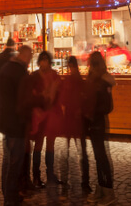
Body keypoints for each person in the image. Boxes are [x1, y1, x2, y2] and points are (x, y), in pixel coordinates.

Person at [0, 44, 34, 206]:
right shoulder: (20, 72)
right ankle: (10, 198)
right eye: (30, 56)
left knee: (8, 160)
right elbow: (24, 99)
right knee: (15, 162)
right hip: (16, 122)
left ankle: (7, 193)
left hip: (5, 120)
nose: (30, 59)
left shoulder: (5, 68)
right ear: (26, 56)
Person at [83, 50, 115, 204]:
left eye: (90, 63)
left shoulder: (102, 82)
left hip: (98, 122)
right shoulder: (93, 79)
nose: (88, 66)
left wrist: (92, 112)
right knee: (98, 156)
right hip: (92, 121)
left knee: (101, 157)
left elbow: (106, 106)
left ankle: (108, 191)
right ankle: (101, 188)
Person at [26, 50, 61, 188]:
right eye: (42, 60)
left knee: (51, 144)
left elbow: (58, 94)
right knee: (39, 145)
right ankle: (36, 176)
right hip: (39, 115)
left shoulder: (54, 75)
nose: (44, 62)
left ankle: (50, 174)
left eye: (46, 60)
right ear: (39, 61)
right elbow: (31, 94)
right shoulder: (35, 76)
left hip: (51, 114)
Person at [52, 55, 85, 194]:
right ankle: (85, 181)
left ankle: (65, 181)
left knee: (65, 151)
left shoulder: (69, 81)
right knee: (81, 151)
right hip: (77, 120)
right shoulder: (81, 81)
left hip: (70, 119)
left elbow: (63, 100)